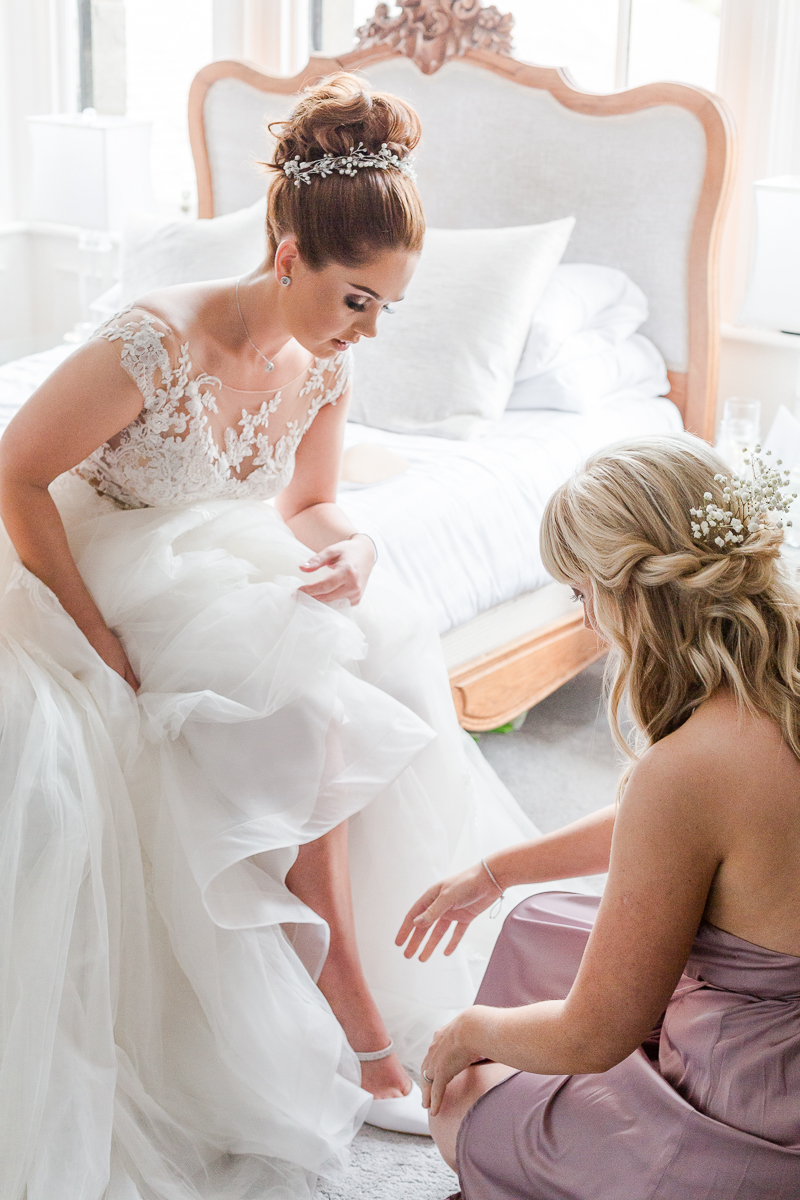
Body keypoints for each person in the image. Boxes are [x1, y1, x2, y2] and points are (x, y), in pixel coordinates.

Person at [0, 74, 538, 1200]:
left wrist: (360, 548)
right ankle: (341, 999)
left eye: (387, 306)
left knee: (353, 650)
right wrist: (92, 635)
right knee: (290, 698)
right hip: (90, 569)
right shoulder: (152, 341)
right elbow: (17, 474)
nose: (368, 328)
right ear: (288, 252)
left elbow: (309, 506)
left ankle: (336, 979)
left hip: (216, 565)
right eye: (357, 299)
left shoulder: (330, 363)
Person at [398, 433, 800, 1200]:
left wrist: (467, 1029)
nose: (585, 620)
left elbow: (596, 1032)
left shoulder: (688, 767)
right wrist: (497, 870)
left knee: (460, 1104)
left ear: (634, 591)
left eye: (582, 594)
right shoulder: (776, 684)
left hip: (758, 1114)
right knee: (540, 920)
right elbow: (681, 832)